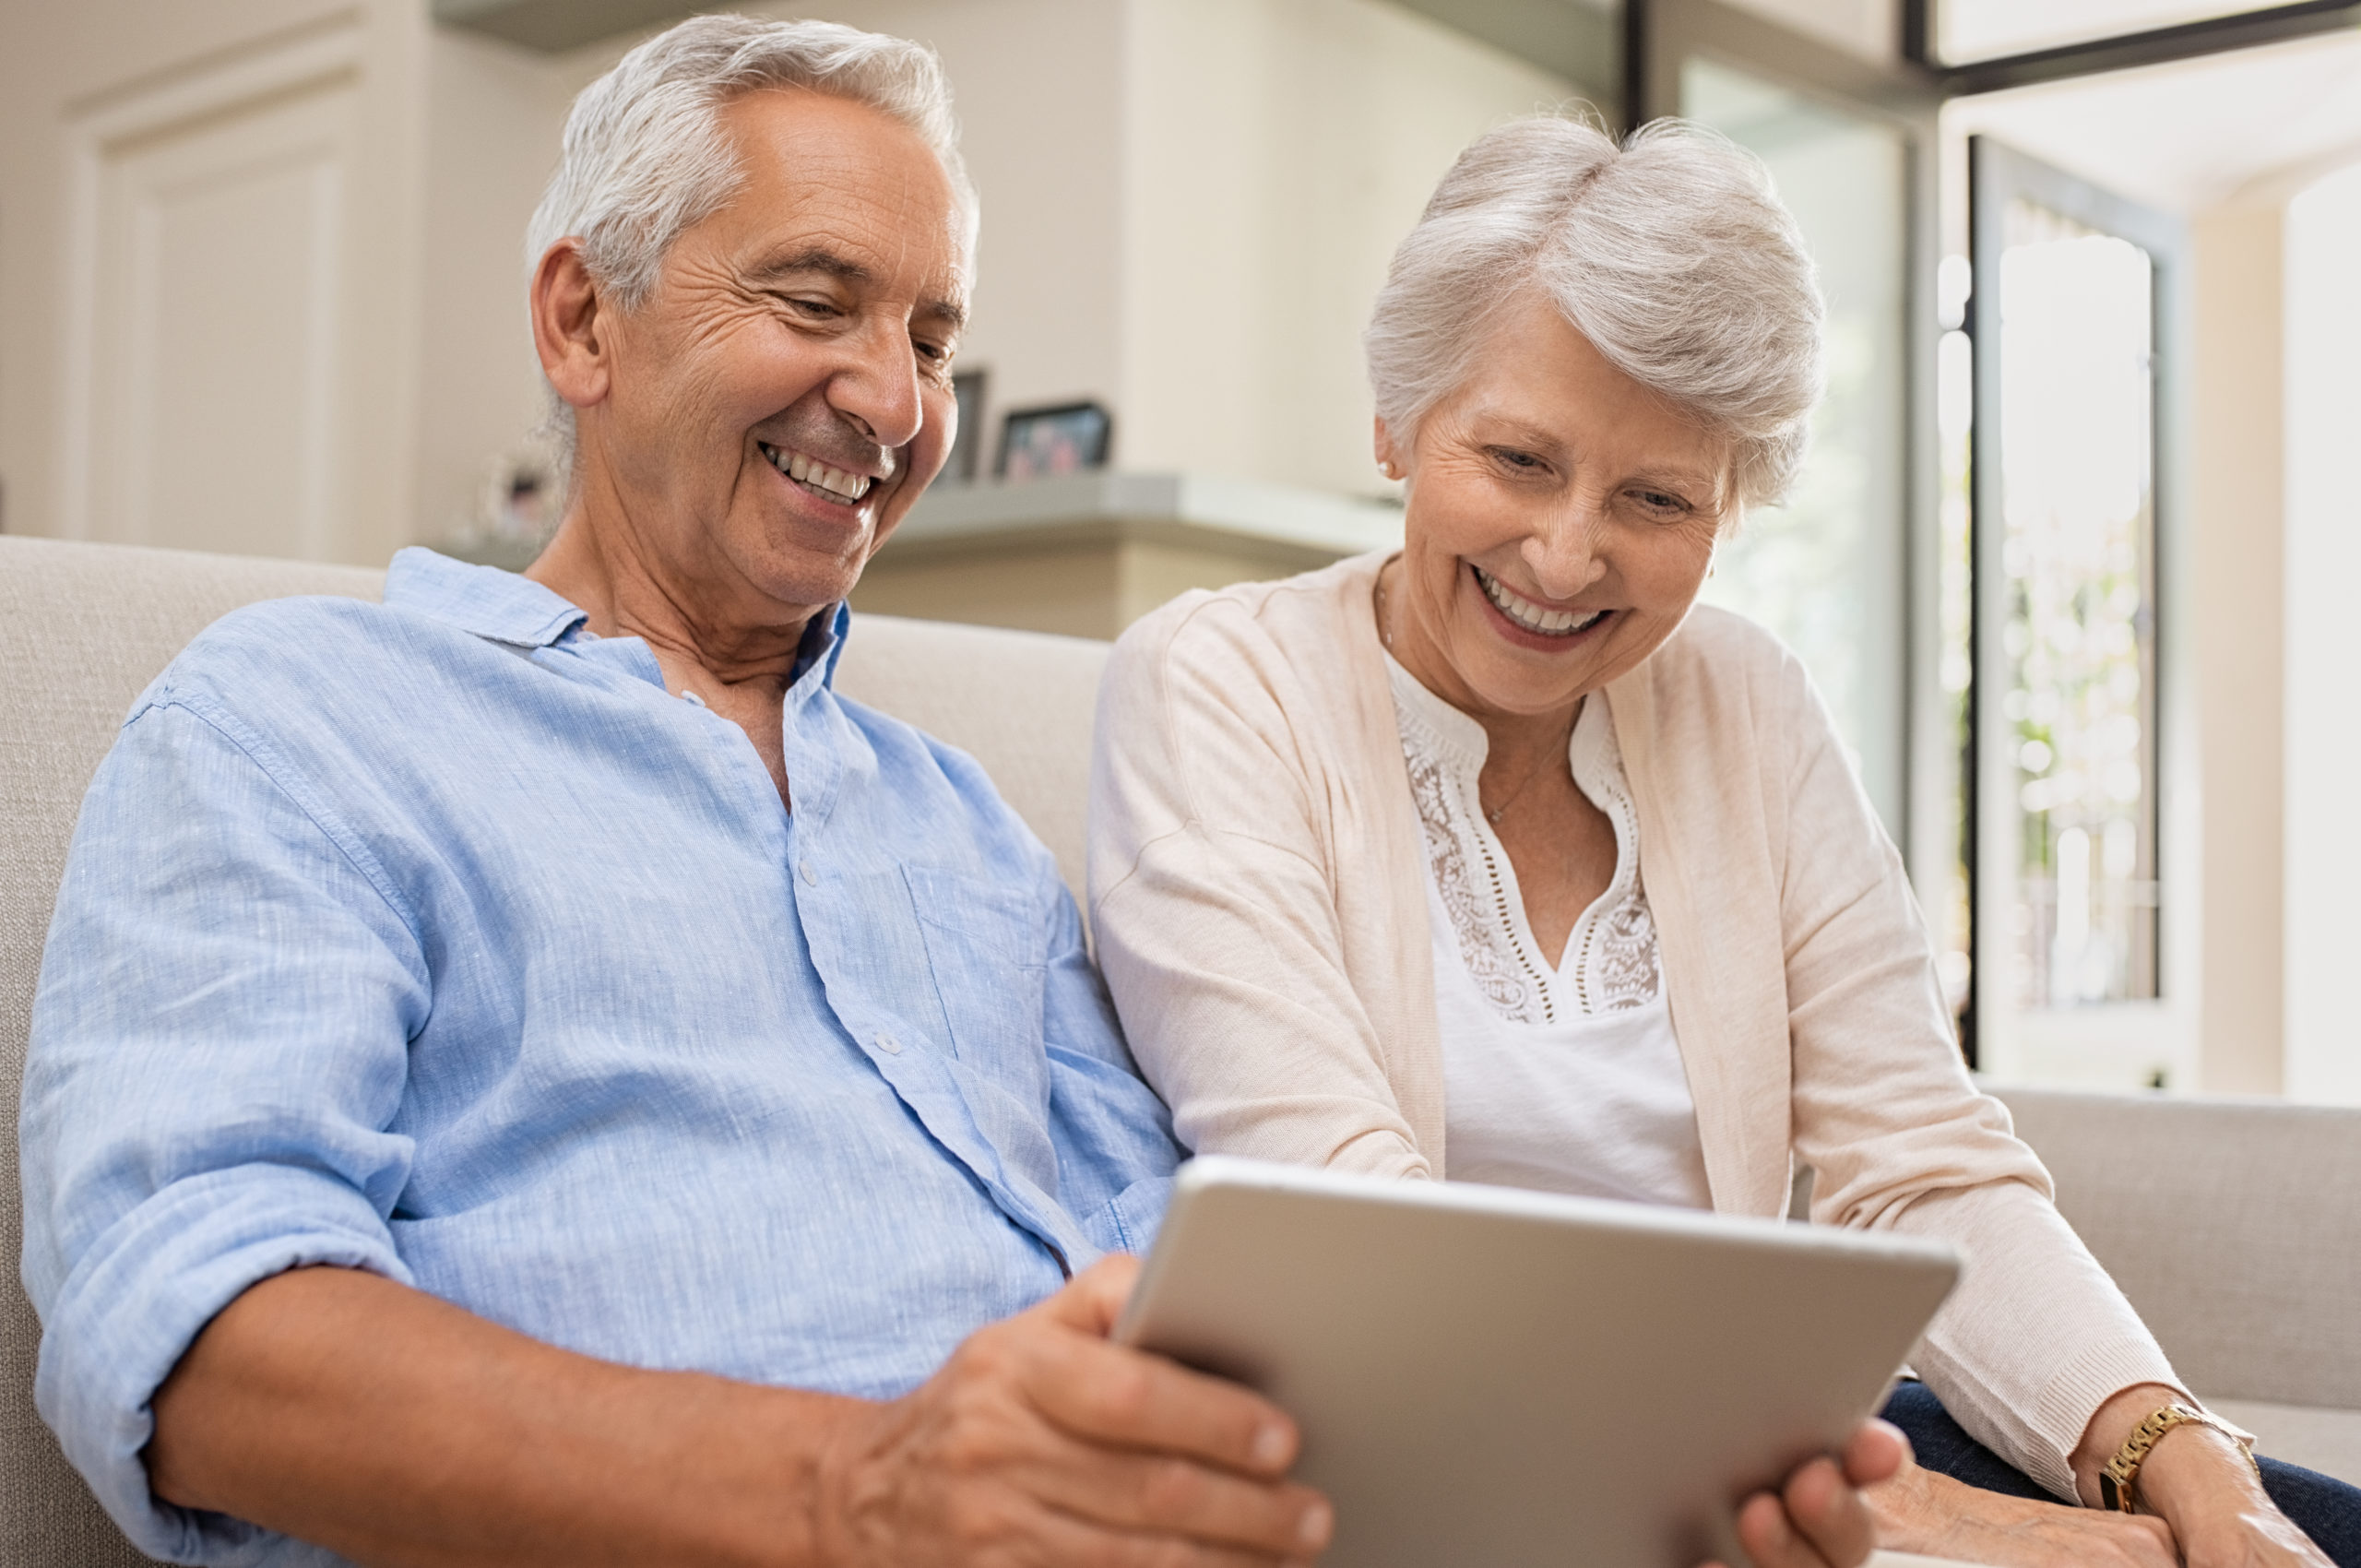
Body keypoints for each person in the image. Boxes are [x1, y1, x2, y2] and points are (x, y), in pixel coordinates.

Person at [18, 21, 1898, 1568]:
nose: (891, 399)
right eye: (815, 300)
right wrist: (857, 1492)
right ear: (582, 325)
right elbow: (193, 1336)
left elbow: (1196, 1283)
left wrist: (1622, 1487)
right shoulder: (298, 718)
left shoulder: (960, 834)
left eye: (929, 337)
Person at [1087, 113, 2361, 1568]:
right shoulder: (1215, 684)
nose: (1568, 557)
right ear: (1396, 421)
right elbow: (1359, 1248)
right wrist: (1947, 1522)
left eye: (1656, 499)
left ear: (1730, 507)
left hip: (1776, 1450)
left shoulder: (1741, 698)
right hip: (1441, 1470)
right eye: (1516, 459)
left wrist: (2186, 1462)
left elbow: (1924, 1168)